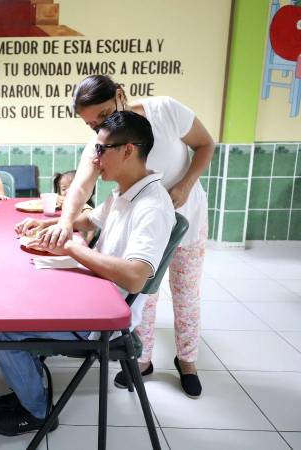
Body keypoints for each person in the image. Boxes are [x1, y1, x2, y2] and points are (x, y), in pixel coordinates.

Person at [0, 111, 175, 436]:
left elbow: (135, 276)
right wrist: (51, 223)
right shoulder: (126, 192)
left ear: (128, 150)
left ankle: (37, 410)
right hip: (95, 295)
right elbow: (90, 220)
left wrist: (73, 250)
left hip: (103, 320)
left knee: (0, 327)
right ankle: (28, 388)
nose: (95, 158)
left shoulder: (152, 206)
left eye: (101, 150)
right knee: (16, 296)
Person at [38, 75, 215, 398]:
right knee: (145, 297)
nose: (99, 128)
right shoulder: (103, 142)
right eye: (92, 125)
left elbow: (205, 144)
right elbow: (80, 185)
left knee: (185, 292)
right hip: (143, 224)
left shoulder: (164, 110)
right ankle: (141, 361)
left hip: (182, 212)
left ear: (119, 96)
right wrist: (65, 222)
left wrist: (185, 185)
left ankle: (187, 361)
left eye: (103, 115)